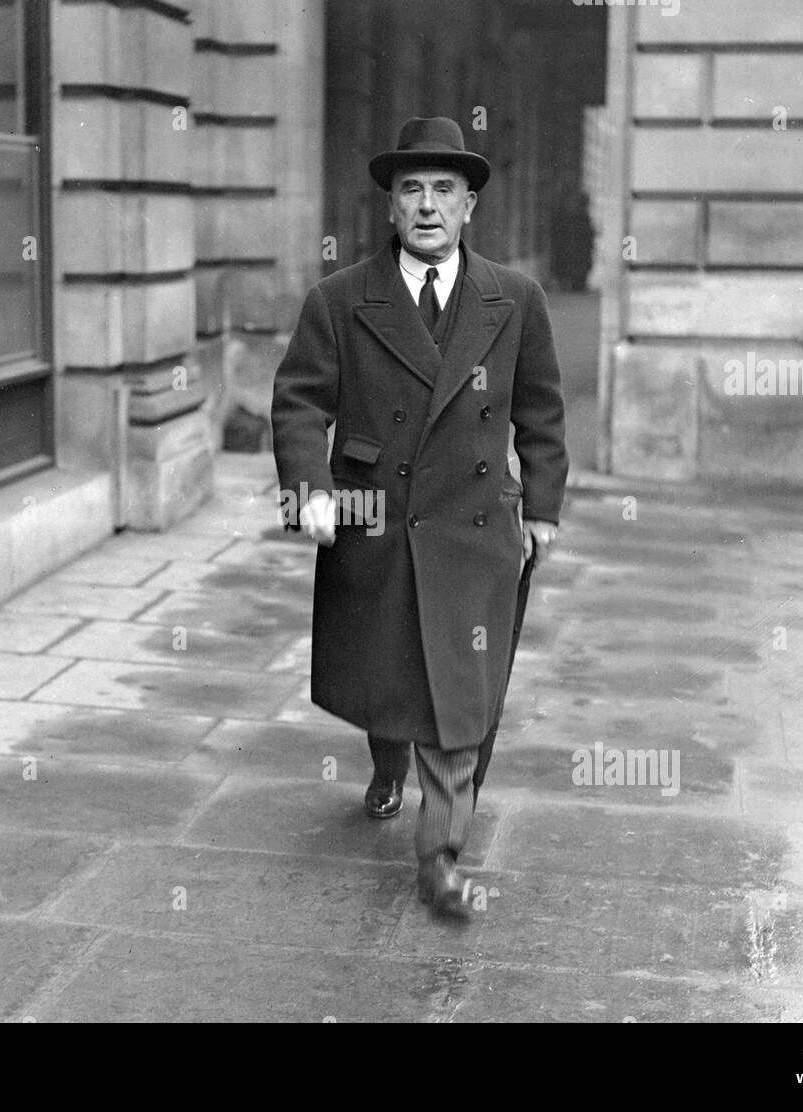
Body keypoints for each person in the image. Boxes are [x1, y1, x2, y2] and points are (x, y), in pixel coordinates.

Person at [270, 116, 569, 917]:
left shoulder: (516, 300)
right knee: (390, 677)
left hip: (475, 524)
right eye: (412, 190)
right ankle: (383, 764)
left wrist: (541, 508)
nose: (428, 205)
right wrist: (310, 494)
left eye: (444, 190)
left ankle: (439, 857)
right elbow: (298, 403)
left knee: (457, 697)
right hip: (376, 517)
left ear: (469, 206)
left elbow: (540, 411)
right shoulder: (339, 300)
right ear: (391, 208)